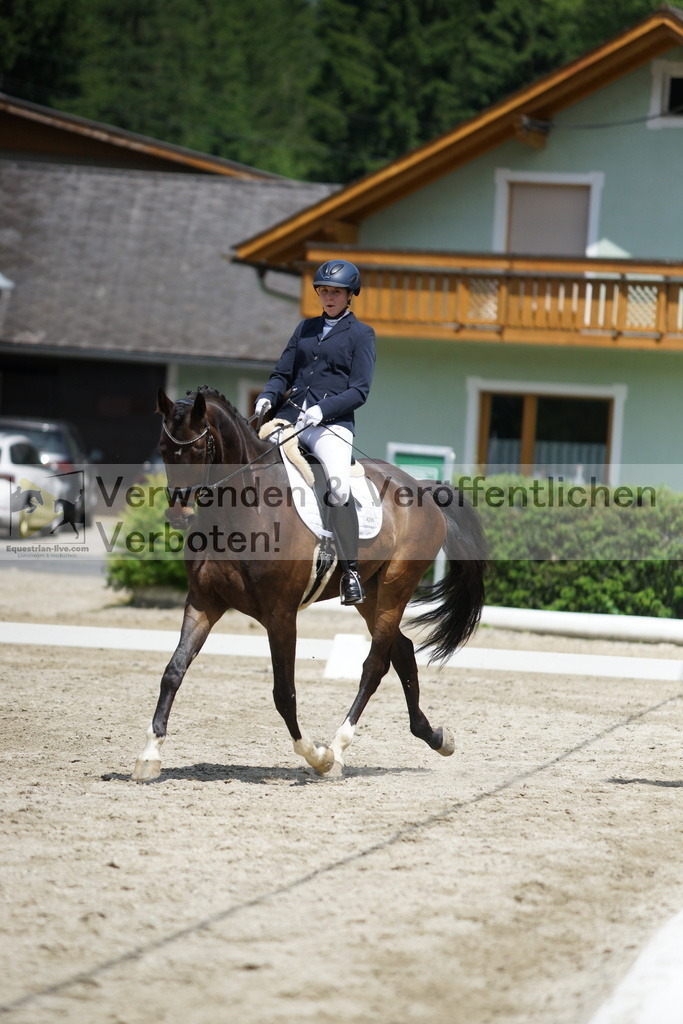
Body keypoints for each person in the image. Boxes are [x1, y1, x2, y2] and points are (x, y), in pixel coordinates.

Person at [255, 259, 376, 605]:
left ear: (350, 295)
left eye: (335, 292)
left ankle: (351, 571)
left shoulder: (361, 334)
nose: (328, 297)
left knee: (337, 488)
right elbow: (282, 373)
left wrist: (323, 409)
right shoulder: (305, 329)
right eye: (323, 291)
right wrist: (266, 397)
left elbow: (360, 390)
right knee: (250, 466)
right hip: (289, 419)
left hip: (330, 425)